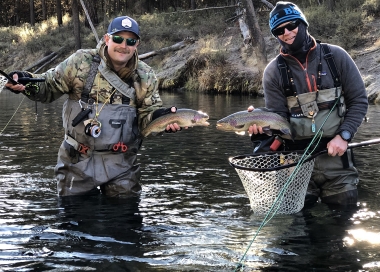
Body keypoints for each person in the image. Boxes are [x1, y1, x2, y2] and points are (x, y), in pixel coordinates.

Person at [4, 15, 182, 197]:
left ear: (137, 44)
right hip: (77, 160)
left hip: (122, 163)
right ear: (107, 39)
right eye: (118, 39)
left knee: (125, 221)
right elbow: (49, 86)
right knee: (75, 219)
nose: (124, 45)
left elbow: (148, 116)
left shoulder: (146, 75)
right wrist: (25, 82)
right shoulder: (81, 61)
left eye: (131, 41)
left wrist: (163, 118)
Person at [248, 2, 368, 208]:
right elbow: (279, 119)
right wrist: (261, 126)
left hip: (338, 161)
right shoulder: (273, 72)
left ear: (303, 23)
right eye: (279, 30)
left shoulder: (336, 57)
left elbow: (359, 101)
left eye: (291, 25)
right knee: (299, 234)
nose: (286, 33)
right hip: (295, 165)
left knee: (344, 223)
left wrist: (344, 136)